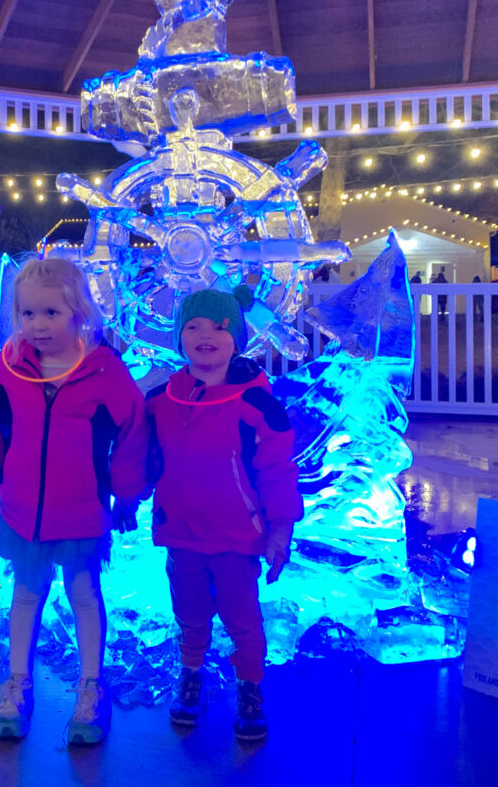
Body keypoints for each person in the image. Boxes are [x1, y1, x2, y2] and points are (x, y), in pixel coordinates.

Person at [0, 257, 148, 745]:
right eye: (27, 314)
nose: (37, 325)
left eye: (50, 313)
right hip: (23, 509)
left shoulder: (104, 371)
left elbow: (132, 430)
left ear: (79, 313)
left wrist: (127, 492)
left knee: (85, 594)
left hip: (81, 508)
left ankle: (91, 687)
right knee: (26, 594)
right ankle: (17, 685)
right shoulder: (11, 365)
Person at [146, 286, 303, 742]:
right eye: (192, 326)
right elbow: (144, 454)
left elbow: (277, 468)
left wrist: (281, 528)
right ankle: (191, 675)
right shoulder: (164, 398)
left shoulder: (257, 402)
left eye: (218, 326)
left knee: (242, 614)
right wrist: (126, 497)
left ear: (236, 336)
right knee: (189, 611)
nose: (205, 335)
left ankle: (250, 686)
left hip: (237, 534)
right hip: (181, 532)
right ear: (179, 339)